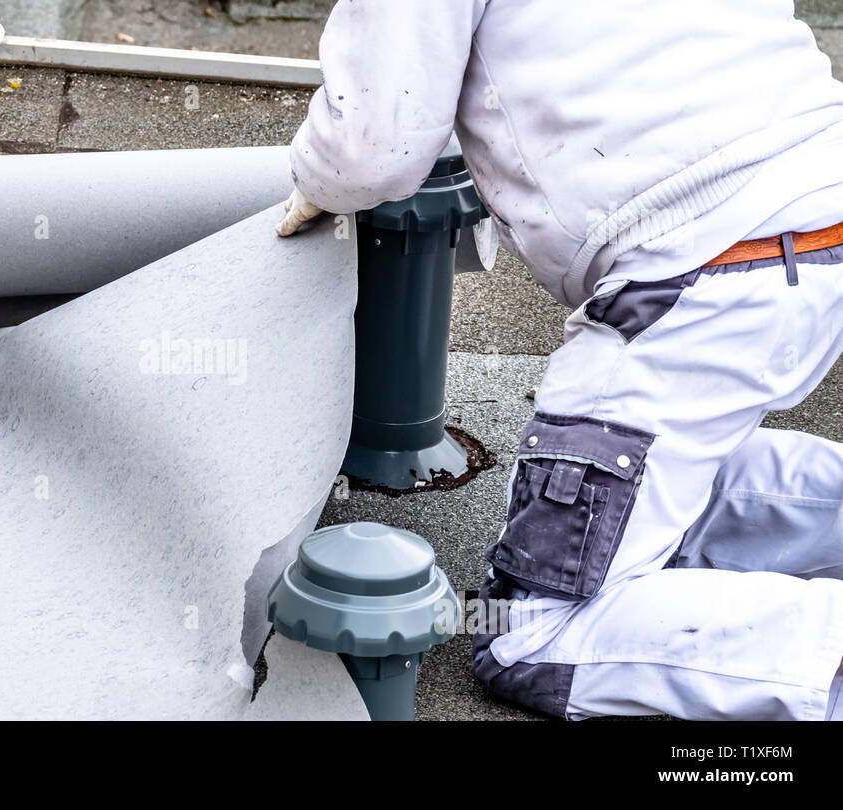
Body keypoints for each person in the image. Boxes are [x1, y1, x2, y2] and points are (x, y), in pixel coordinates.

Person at [276, 0, 843, 720]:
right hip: (817, 203)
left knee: (531, 631)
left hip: (701, 264)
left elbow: (375, 144)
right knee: (659, 482)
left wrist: (316, 181)